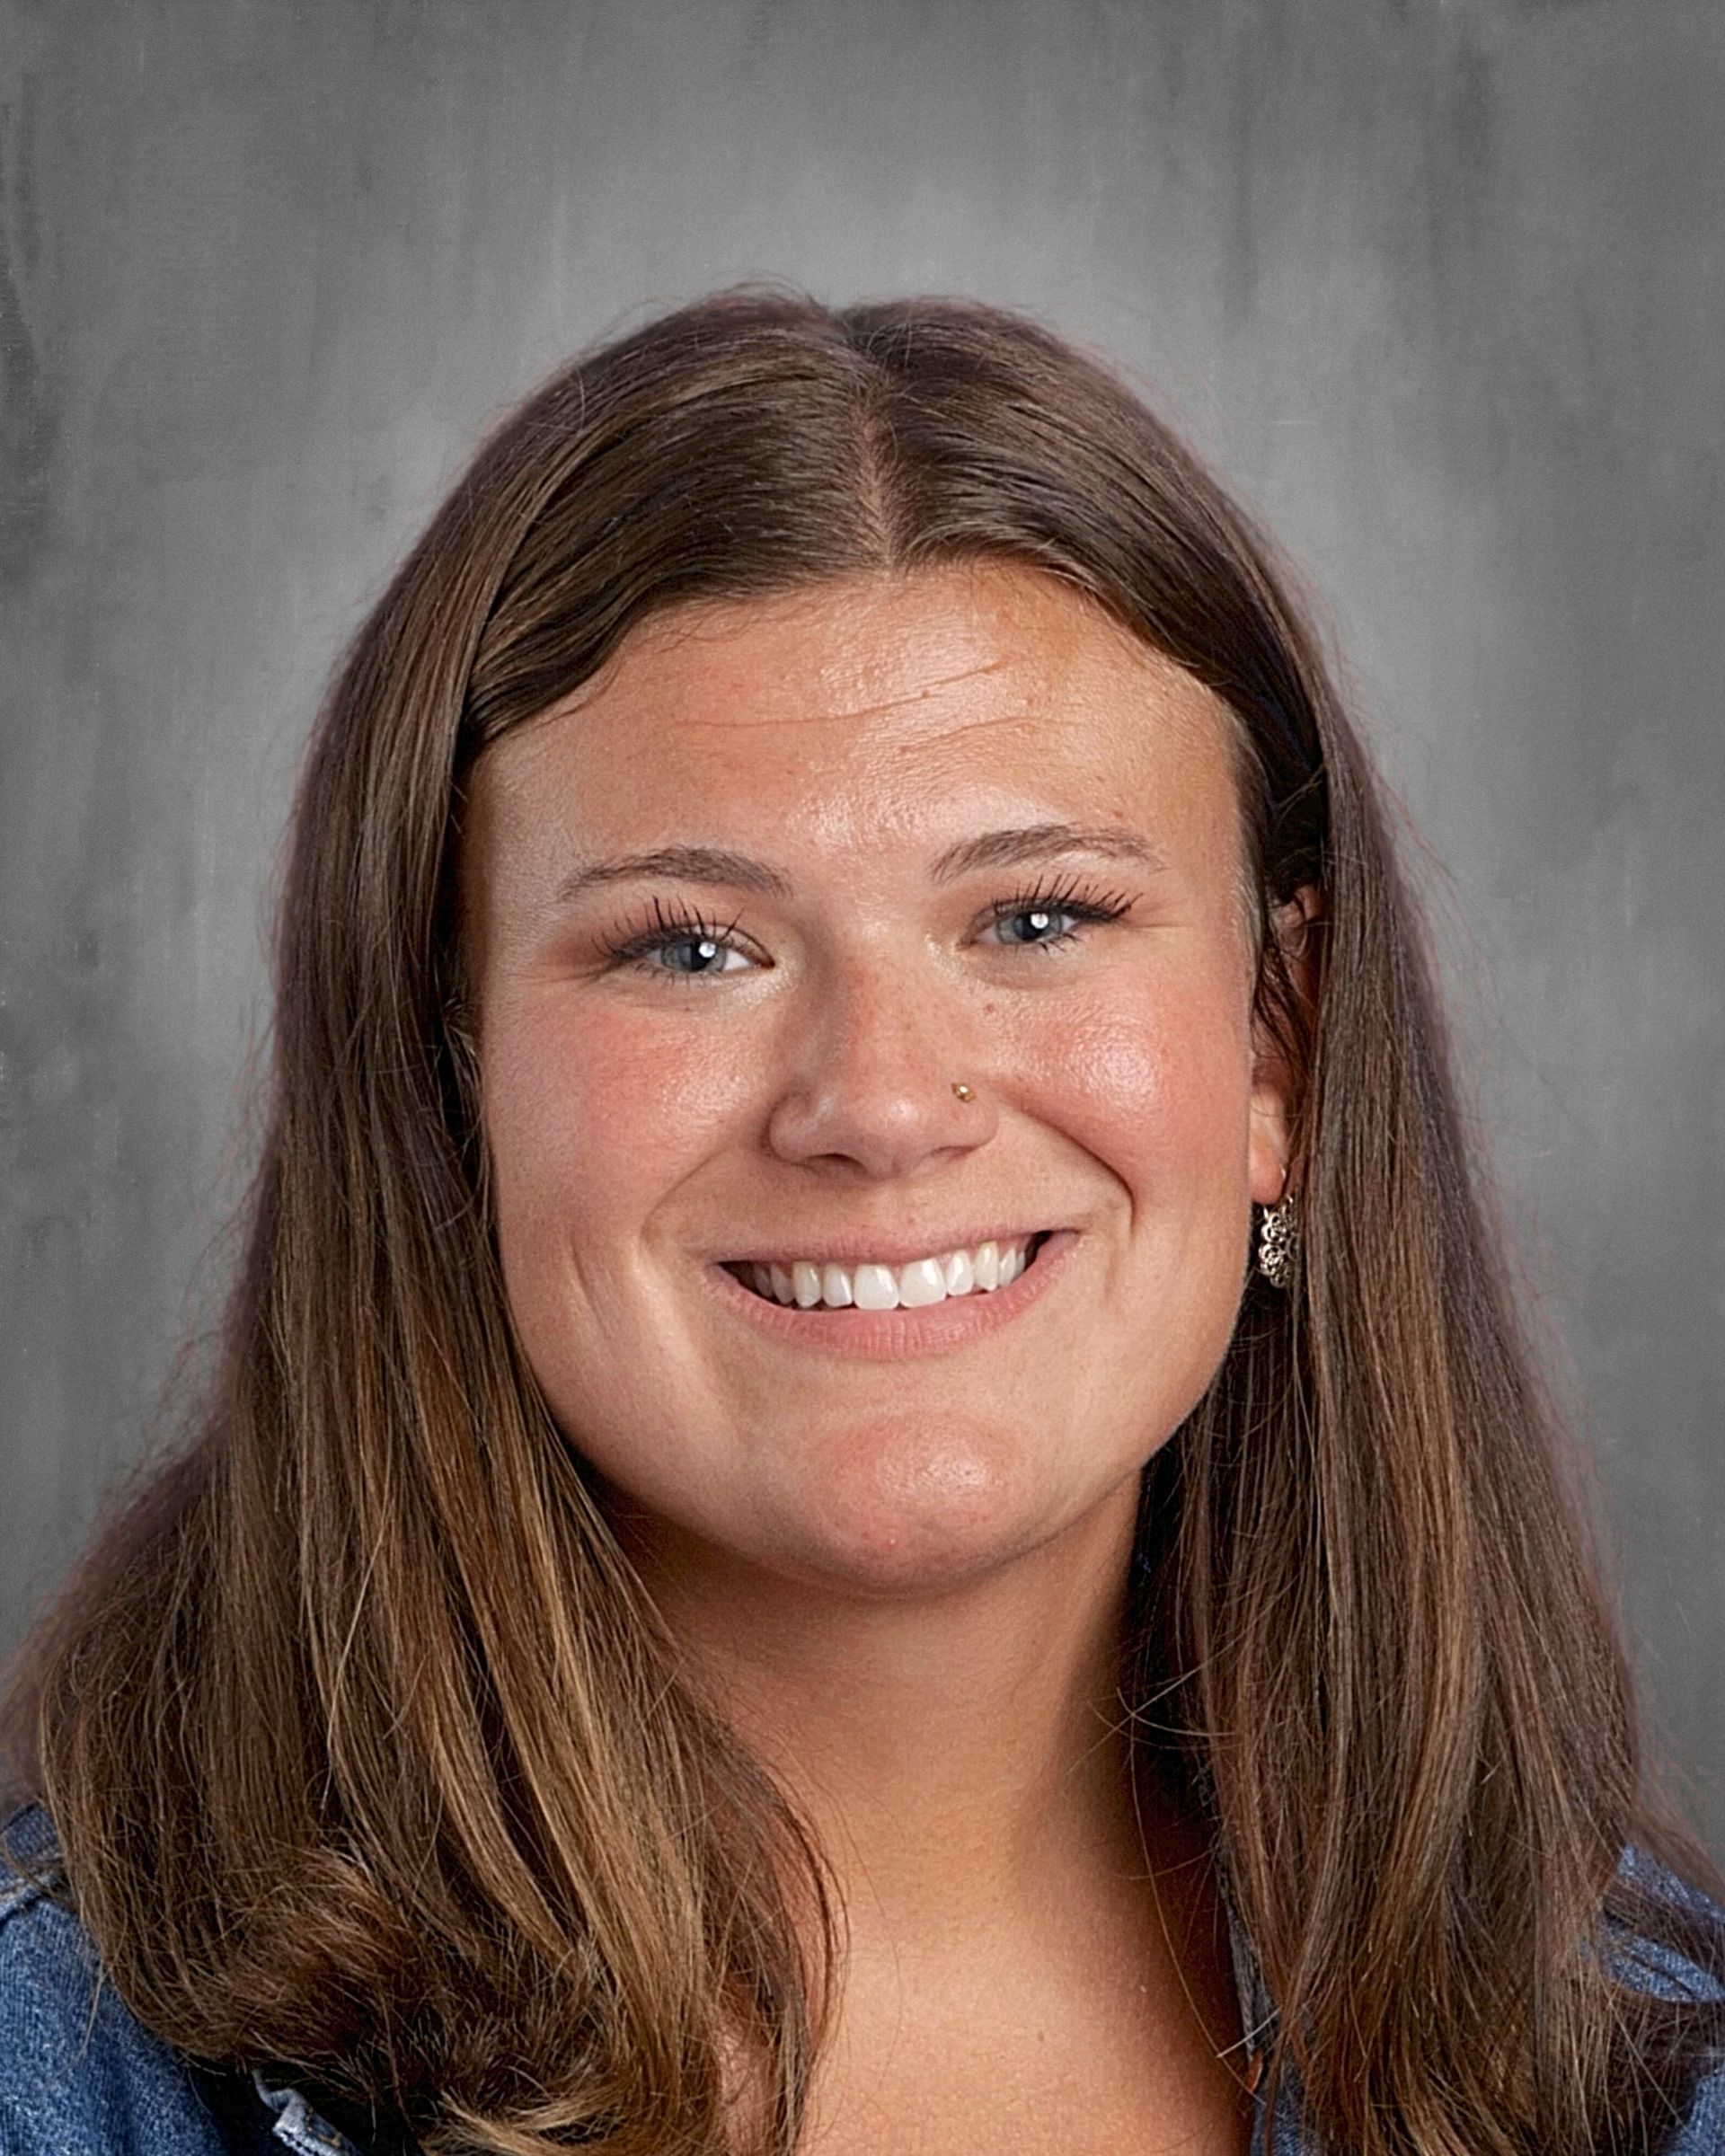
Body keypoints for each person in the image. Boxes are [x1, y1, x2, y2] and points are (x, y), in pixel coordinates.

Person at [1, 288, 1721, 2156]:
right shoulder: (63, 2078)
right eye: (689, 945)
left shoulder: (1663, 2073)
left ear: (1274, 1053)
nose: (885, 1106)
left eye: (1040, 918)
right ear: (450, 1081)